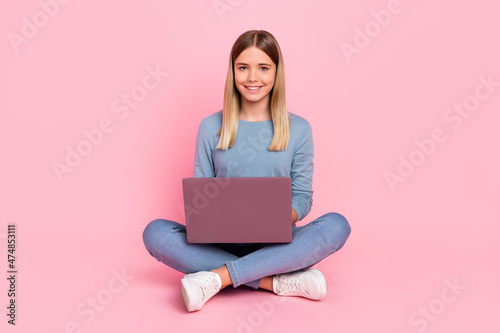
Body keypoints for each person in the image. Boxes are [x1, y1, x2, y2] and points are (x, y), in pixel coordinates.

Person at [142, 30, 351, 312]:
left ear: (277, 73)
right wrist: (208, 217)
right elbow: (201, 192)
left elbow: (302, 196)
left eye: (263, 68)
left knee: (337, 225)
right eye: (243, 68)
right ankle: (274, 282)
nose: (253, 77)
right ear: (233, 72)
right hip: (218, 242)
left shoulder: (299, 129)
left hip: (277, 246)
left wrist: (280, 218)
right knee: (155, 233)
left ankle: (217, 278)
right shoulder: (210, 126)